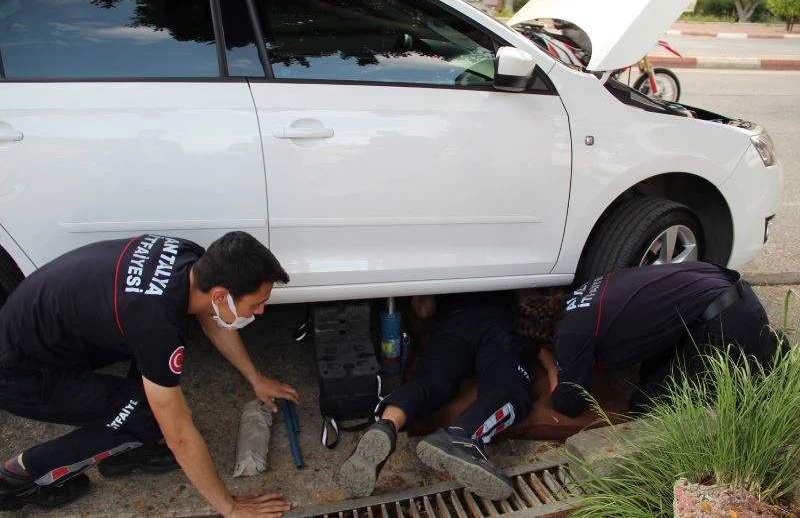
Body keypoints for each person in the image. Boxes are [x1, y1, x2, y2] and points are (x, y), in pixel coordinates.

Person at [0, 231, 300, 516]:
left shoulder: (190, 258)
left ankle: (126, 449)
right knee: (151, 417)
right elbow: (179, 436)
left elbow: (210, 316)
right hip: (19, 374)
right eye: (257, 303)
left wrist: (255, 378)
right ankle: (18, 477)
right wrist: (230, 508)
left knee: (154, 375)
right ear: (221, 295)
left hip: (42, 335)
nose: (260, 311)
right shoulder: (156, 325)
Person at [339, 291, 532, 501]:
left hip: (452, 326)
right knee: (509, 388)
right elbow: (527, 300)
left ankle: (386, 425)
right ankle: (461, 436)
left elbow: (423, 310)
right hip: (495, 324)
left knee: (429, 382)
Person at [537, 262, 780, 418]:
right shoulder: (583, 293)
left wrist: (550, 365)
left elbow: (569, 404)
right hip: (735, 296)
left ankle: (759, 370)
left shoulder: (571, 333)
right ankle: (761, 348)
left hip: (728, 324)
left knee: (646, 406)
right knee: (650, 372)